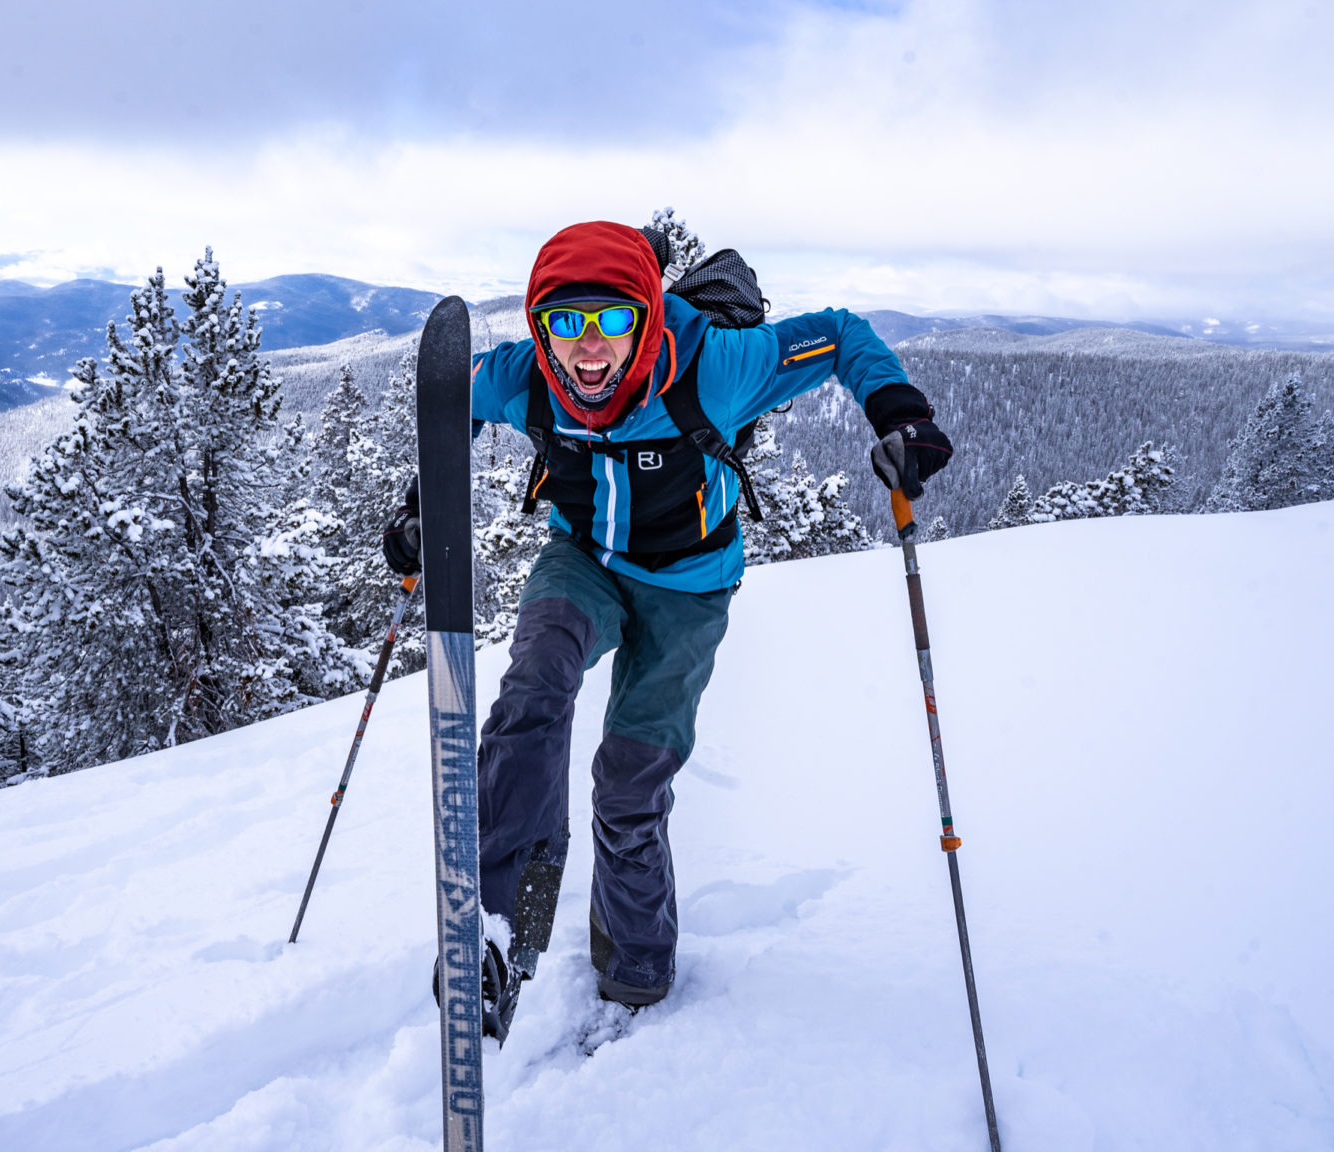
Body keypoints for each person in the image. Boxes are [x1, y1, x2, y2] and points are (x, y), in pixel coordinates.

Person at [384, 220, 951, 1032]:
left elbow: (837, 335)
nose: (587, 348)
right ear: (539, 324)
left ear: (648, 315)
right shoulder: (527, 376)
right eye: (565, 322)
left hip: (689, 586)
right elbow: (452, 402)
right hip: (582, 560)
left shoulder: (715, 368)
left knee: (628, 784)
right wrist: (419, 505)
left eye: (612, 320)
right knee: (533, 688)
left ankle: (637, 965)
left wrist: (899, 413)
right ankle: (503, 929)